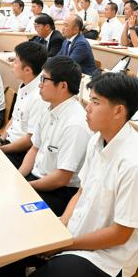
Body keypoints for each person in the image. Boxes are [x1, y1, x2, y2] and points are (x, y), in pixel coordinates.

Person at [0, 72, 138, 277]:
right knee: (4, 254)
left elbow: (121, 234)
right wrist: (61, 225)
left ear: (119, 111)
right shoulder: (97, 140)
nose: (87, 107)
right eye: (89, 99)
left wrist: (65, 244)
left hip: (105, 258)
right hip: (75, 234)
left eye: (96, 102)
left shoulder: (136, 163)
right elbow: (81, 191)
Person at [15, 56, 91, 216]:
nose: (39, 85)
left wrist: (27, 185)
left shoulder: (75, 124)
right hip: (37, 179)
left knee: (13, 210)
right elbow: (34, 149)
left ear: (63, 85)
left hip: (59, 192)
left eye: (44, 79)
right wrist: (18, 177)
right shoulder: (48, 108)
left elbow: (61, 178)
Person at [0, 42, 49, 169]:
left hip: (21, 152)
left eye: (16, 62)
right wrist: (1, 139)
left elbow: (30, 140)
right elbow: (14, 119)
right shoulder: (24, 85)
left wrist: (2, 149)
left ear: (28, 70)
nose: (12, 65)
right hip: (8, 142)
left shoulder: (39, 97)